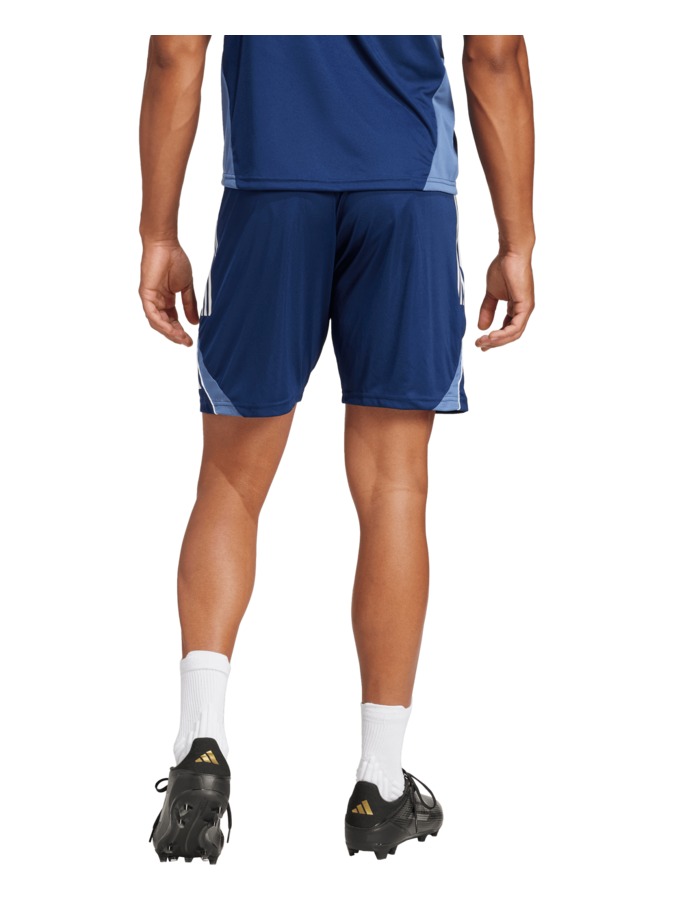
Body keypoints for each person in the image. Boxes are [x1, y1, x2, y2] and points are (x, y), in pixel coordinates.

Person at [139, 34, 535, 864]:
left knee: (230, 482)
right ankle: (378, 785)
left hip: (269, 189)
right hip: (406, 190)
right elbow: (494, 55)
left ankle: (200, 744)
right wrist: (516, 241)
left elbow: (176, 51)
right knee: (395, 489)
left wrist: (157, 231)